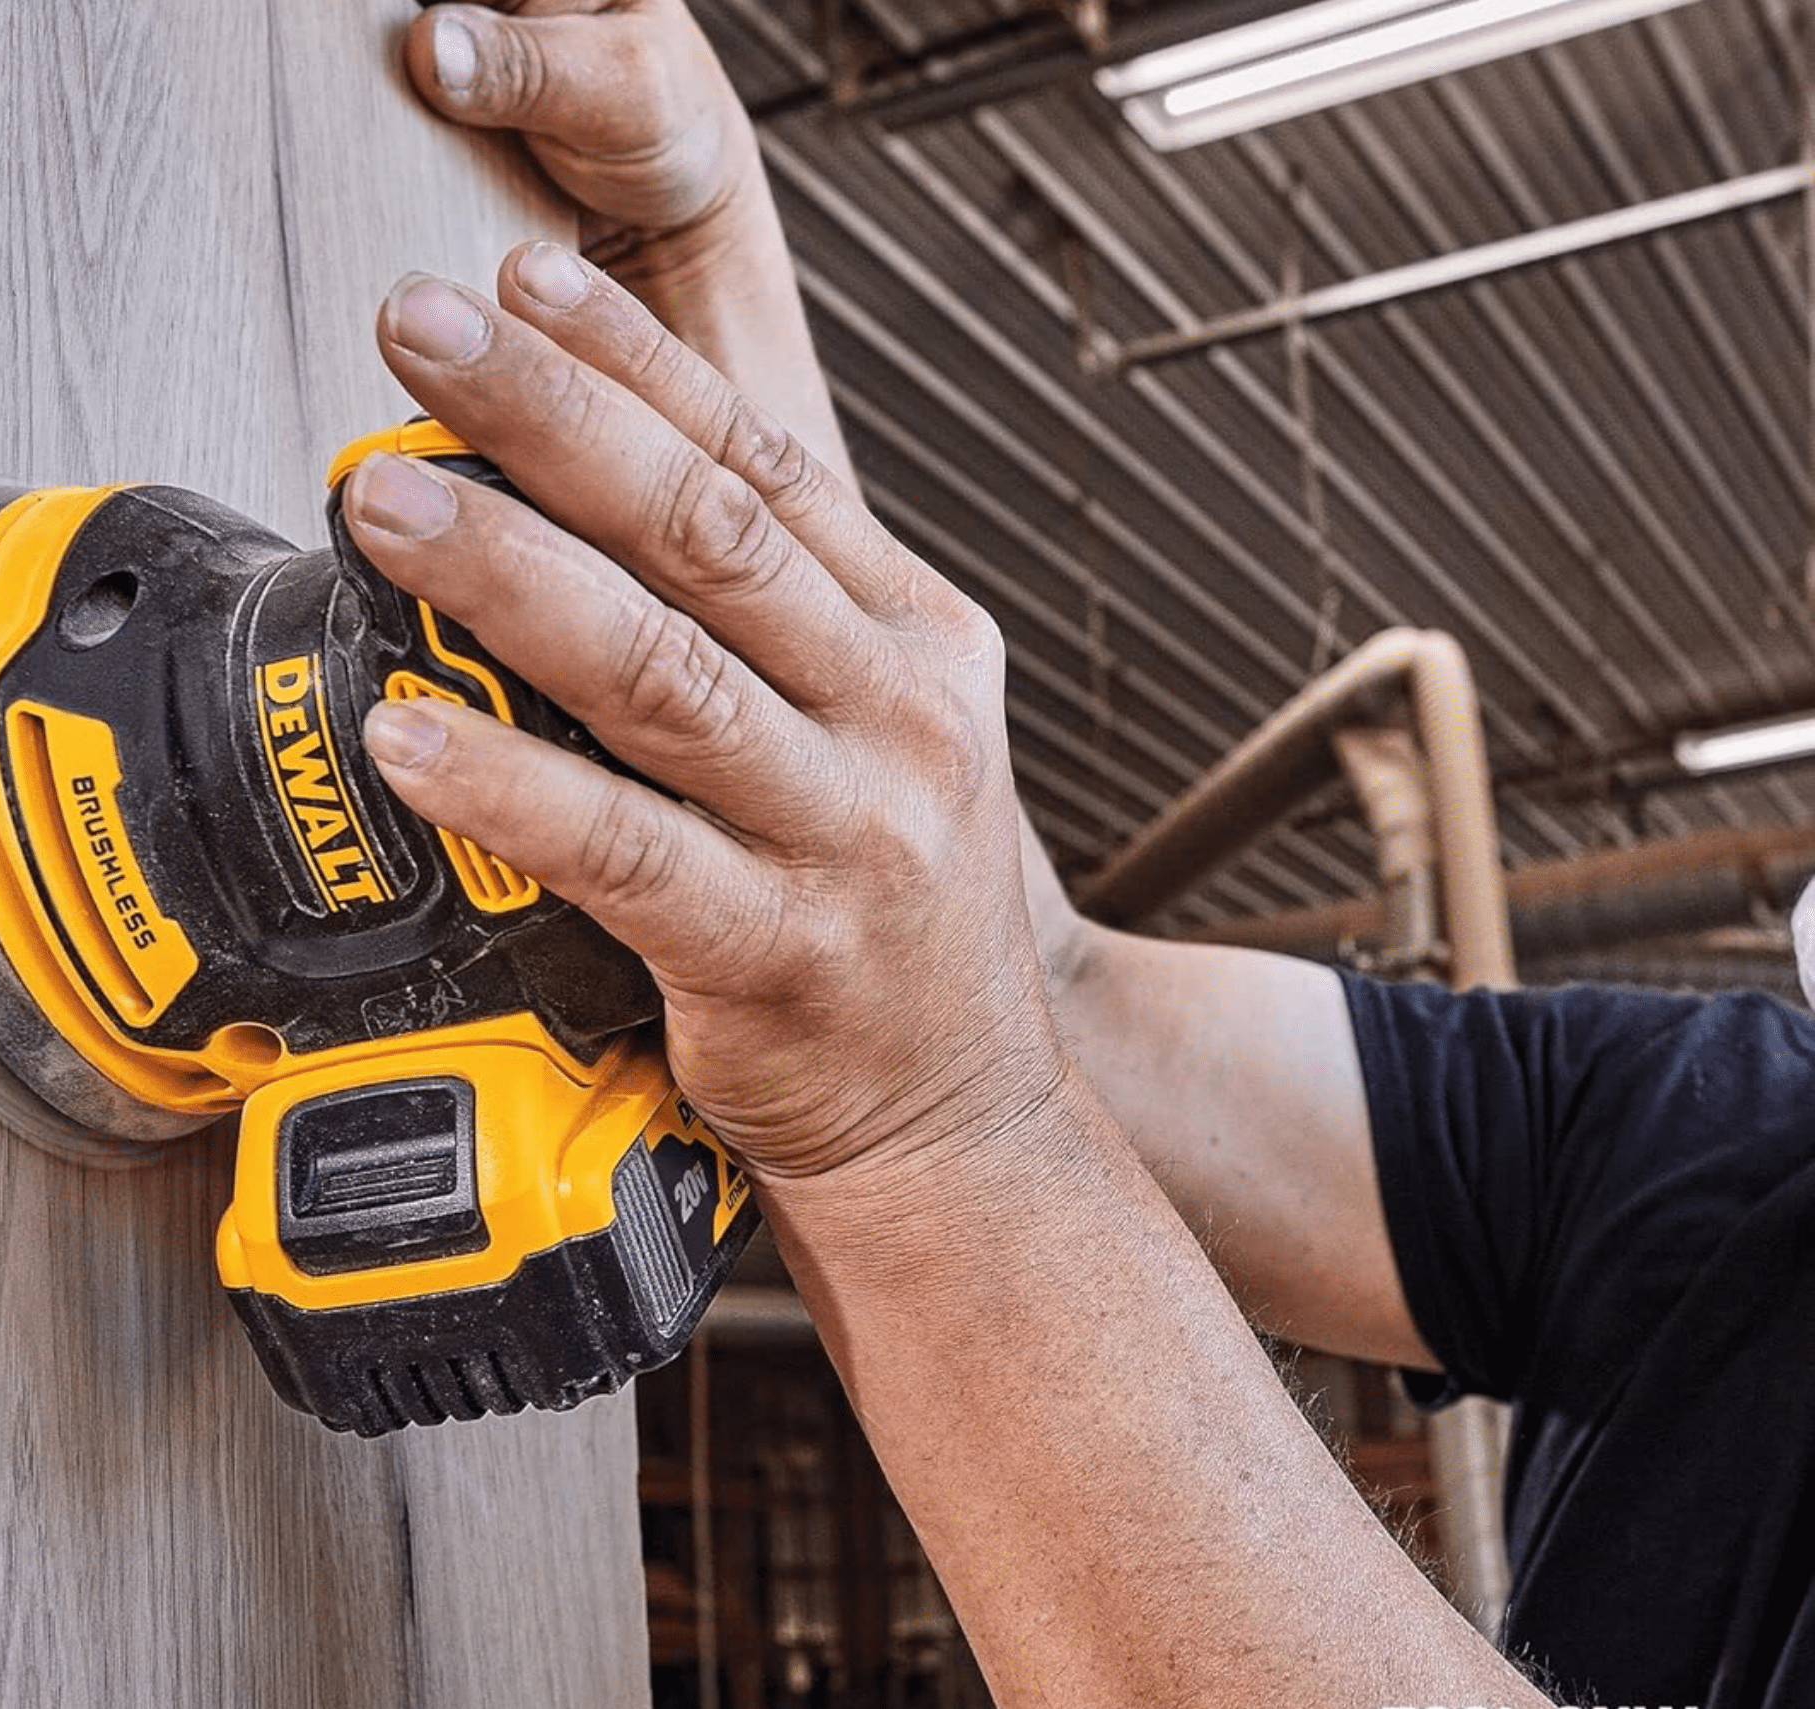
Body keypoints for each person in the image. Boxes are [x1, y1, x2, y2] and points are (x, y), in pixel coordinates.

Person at [327, 3, 1815, 1706]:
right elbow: (1050, 995)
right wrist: (692, 244)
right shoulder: (1742, 1141)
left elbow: (971, 1049)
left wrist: (921, 1127)